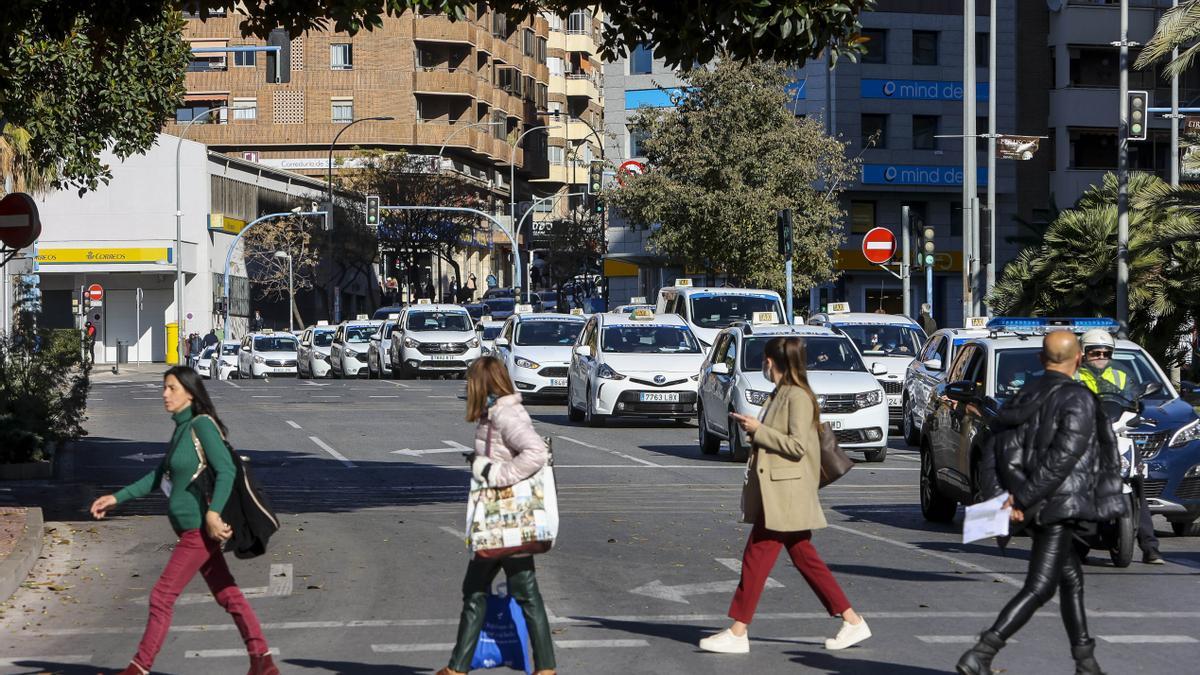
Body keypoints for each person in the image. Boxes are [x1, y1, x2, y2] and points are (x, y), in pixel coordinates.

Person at [89, 366, 278, 675]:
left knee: (161, 596)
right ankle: (263, 661)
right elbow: (157, 476)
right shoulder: (181, 429)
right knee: (227, 593)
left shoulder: (201, 425)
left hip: (199, 531)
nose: (165, 394)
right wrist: (115, 498)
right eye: (164, 387)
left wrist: (214, 512)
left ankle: (139, 667)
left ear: (190, 393)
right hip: (191, 530)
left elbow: (227, 469)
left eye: (172, 388)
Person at [957, 331, 1122, 675]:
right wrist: (1022, 499)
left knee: (1071, 579)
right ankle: (982, 652)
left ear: (1039, 360)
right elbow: (1063, 458)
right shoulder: (1077, 398)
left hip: (1033, 503)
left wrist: (1004, 499)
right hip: (1056, 505)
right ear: (1078, 359)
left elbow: (994, 451)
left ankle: (1085, 661)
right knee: (1040, 586)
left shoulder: (1023, 394)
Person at [700, 336, 871, 655]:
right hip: (781, 490)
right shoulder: (782, 393)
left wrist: (758, 430)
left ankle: (738, 631)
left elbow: (798, 446)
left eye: (764, 360)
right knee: (804, 558)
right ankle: (851, 619)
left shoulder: (797, 397)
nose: (763, 365)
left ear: (771, 362)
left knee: (756, 557)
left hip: (787, 491)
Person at [436, 357, 556, 675]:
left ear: (483, 383)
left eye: (470, 381)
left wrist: (494, 472)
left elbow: (536, 452)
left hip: (506, 519)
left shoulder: (505, 413)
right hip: (499, 522)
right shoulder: (494, 412)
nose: (467, 386)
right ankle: (460, 667)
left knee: (495, 591)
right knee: (500, 591)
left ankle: (459, 668)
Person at [1075, 329, 1161, 564]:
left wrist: (1138, 411)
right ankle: (1074, 540)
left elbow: (1133, 398)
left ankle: (1150, 547)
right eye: (1095, 352)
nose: (1101, 356)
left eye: (1106, 352)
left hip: (1118, 434)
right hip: (1087, 437)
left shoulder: (1121, 375)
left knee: (1137, 482)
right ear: (1084, 353)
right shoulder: (1075, 377)